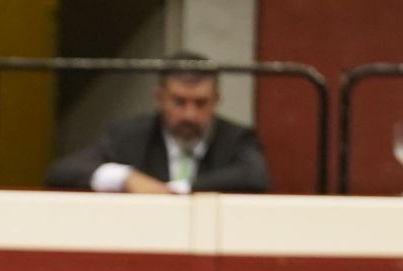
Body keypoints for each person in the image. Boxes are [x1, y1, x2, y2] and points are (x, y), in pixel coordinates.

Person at [45, 54, 269, 194]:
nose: (190, 115)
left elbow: (255, 176)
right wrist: (125, 177)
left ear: (216, 101)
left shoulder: (236, 138)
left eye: (201, 103)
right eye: (179, 102)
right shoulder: (130, 135)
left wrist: (176, 190)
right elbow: (62, 171)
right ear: (160, 99)